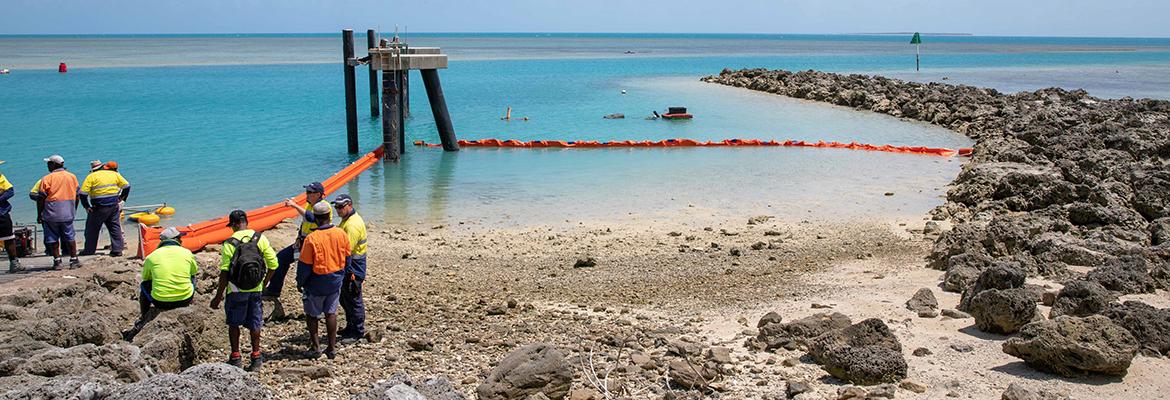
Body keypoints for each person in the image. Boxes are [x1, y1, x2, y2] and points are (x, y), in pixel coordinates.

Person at [210, 210, 279, 371]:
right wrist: (264, 282)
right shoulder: (259, 238)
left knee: (234, 324)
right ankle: (256, 357)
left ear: (233, 224)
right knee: (255, 323)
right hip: (255, 289)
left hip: (235, 290)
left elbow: (225, 272)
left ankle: (236, 357)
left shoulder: (229, 243)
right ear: (246, 222)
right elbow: (274, 264)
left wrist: (218, 296)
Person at [295, 202, 350, 359]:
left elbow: (305, 265)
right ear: (329, 216)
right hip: (335, 279)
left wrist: (300, 282)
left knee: (312, 315)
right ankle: (331, 348)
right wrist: (342, 275)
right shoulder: (341, 234)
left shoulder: (312, 239)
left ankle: (316, 347)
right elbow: (348, 258)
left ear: (316, 219)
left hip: (316, 282)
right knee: (331, 312)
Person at [262, 182, 331, 299]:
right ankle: (274, 290)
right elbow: (305, 223)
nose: (307, 195)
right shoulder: (309, 205)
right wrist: (298, 238)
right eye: (306, 192)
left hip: (314, 245)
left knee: (307, 270)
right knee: (282, 258)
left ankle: (309, 295)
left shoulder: (323, 207)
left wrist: (294, 205)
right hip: (303, 243)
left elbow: (312, 218)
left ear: (318, 194)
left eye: (310, 192)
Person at [124, 227, 195, 341]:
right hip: (184, 299)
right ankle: (188, 301)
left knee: (145, 285)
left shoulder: (152, 256)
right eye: (180, 238)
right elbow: (193, 272)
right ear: (176, 240)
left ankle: (144, 316)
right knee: (191, 277)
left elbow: (146, 278)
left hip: (160, 302)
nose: (181, 241)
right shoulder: (187, 253)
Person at [29, 155, 81, 269]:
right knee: (70, 237)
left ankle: (57, 261)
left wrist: (39, 214)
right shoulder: (72, 176)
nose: (47, 166)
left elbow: (41, 198)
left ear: (53, 164)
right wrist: (73, 209)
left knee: (52, 238)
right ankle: (73, 259)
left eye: (49, 164)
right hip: (67, 212)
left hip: (51, 213)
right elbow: (78, 195)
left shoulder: (47, 178)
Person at [332, 194, 367, 339]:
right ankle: (350, 326)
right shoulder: (346, 220)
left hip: (353, 266)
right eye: (336, 207)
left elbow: (347, 251)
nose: (338, 210)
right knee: (344, 298)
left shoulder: (352, 225)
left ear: (349, 205)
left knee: (353, 298)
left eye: (341, 207)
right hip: (350, 264)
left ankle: (357, 332)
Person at [79, 160, 130, 256]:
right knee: (115, 227)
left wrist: (86, 206)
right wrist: (122, 198)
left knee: (92, 229)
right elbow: (127, 186)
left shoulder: (91, 177)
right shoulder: (113, 174)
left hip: (98, 206)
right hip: (113, 204)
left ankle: (89, 250)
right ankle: (117, 249)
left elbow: (82, 193)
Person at [0, 160, 21, 272]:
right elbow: (10, 191)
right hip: (1, 212)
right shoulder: (1, 178)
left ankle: (14, 263)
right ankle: (14, 263)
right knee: (8, 239)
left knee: (8, 238)